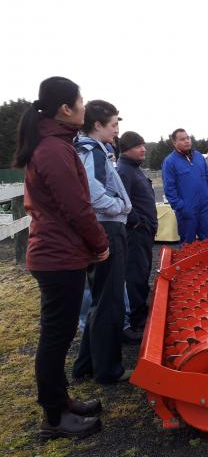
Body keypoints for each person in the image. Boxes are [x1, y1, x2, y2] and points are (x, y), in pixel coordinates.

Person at [14, 77, 108, 439]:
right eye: (80, 101)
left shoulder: (56, 143)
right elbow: (77, 208)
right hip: (58, 257)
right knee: (55, 338)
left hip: (59, 254)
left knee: (61, 332)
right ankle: (54, 417)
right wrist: (99, 243)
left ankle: (61, 402)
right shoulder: (53, 149)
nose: (84, 107)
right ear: (65, 109)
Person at [72, 100, 133, 384]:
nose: (117, 130)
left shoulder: (92, 150)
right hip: (108, 227)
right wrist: (120, 205)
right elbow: (93, 193)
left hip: (105, 225)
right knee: (109, 300)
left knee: (100, 298)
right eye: (113, 125)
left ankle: (85, 364)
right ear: (97, 125)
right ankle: (108, 370)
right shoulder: (92, 151)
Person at [117, 131, 158, 340]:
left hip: (143, 232)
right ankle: (135, 320)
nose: (143, 148)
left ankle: (140, 313)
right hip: (135, 234)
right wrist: (138, 222)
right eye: (137, 146)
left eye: (143, 144)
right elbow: (123, 203)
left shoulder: (133, 169)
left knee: (142, 272)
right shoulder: (124, 171)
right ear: (125, 149)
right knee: (135, 275)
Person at [162, 128, 208, 243]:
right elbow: (169, 189)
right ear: (174, 143)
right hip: (187, 211)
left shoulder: (199, 157)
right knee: (187, 246)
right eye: (182, 139)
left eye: (188, 138)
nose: (187, 141)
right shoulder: (170, 162)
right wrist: (181, 207)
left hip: (205, 208)